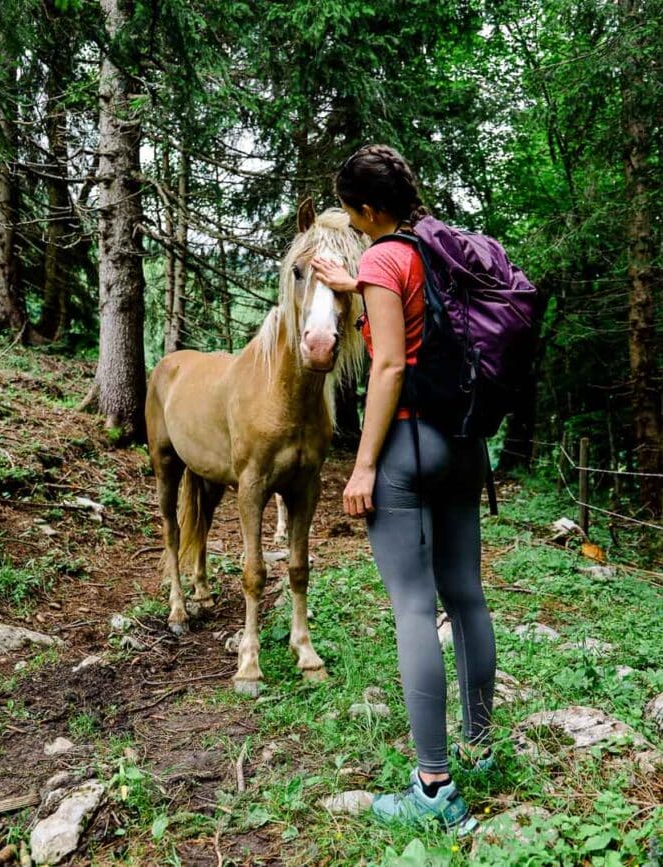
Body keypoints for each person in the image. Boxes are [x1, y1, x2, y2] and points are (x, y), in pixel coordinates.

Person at [311, 144, 496, 834]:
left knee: (414, 608)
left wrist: (361, 467)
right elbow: (418, 311)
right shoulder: (437, 247)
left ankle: (433, 788)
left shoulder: (382, 255)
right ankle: (478, 747)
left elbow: (388, 365)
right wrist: (352, 281)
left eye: (355, 217)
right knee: (467, 593)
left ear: (366, 208)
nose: (355, 230)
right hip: (466, 445)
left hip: (410, 446)